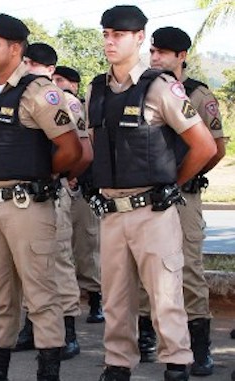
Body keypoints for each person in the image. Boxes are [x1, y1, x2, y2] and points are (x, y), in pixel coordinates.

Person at [89, 6, 216, 381]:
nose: (111, 42)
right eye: (107, 34)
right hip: (112, 211)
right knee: (116, 300)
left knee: (165, 301)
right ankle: (117, 367)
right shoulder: (97, 89)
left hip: (152, 212)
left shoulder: (161, 86)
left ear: (140, 37)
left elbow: (205, 146)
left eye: (120, 35)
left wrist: (172, 186)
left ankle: (176, 368)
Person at [0, 14, 83, 381]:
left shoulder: (38, 91)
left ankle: (47, 372)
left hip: (27, 206)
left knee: (40, 294)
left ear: (15, 49)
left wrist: (43, 173)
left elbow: (70, 148)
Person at [141, 26, 227, 376]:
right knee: (145, 268)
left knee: (188, 268)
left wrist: (183, 179)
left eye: (164, 52)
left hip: (183, 195)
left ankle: (200, 344)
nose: (156, 57)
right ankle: (147, 335)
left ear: (182, 56)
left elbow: (216, 149)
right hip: (146, 195)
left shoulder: (198, 94)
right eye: (153, 51)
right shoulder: (141, 90)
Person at [12, 43, 93, 361]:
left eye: (26, 62)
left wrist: (64, 175)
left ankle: (69, 330)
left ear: (38, 65)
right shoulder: (16, 96)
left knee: (58, 263)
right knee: (25, 265)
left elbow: (83, 152)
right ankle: (32, 327)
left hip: (49, 190)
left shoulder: (65, 100)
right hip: (21, 196)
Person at [52, 65, 105, 324]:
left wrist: (74, 176)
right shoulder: (54, 107)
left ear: (74, 84)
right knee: (62, 250)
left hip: (84, 188)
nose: (55, 83)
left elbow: (88, 149)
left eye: (60, 80)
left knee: (87, 248)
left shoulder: (81, 108)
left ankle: (96, 301)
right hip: (64, 188)